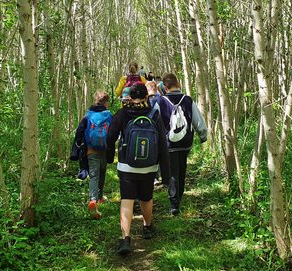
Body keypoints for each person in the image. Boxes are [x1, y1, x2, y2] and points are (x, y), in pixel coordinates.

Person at [105, 83, 169, 256]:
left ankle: (126, 238)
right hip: (149, 166)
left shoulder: (123, 113)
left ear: (130, 97)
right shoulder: (154, 113)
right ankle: (147, 227)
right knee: (146, 197)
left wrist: (110, 157)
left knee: (127, 199)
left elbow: (110, 136)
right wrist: (166, 172)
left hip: (126, 165)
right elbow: (163, 143)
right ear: (147, 96)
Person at [155, 73, 207, 216]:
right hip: (185, 142)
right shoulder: (188, 100)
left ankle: (174, 203)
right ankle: (180, 195)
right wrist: (203, 135)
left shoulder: (161, 102)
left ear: (165, 87)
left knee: (172, 172)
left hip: (168, 144)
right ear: (178, 84)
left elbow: (154, 121)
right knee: (182, 168)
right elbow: (198, 121)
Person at [74, 90, 112, 219]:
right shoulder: (108, 115)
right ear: (106, 103)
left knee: (94, 175)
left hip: (91, 151)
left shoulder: (88, 115)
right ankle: (100, 197)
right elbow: (113, 132)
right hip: (105, 150)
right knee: (102, 172)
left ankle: (93, 200)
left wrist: (77, 147)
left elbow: (79, 132)